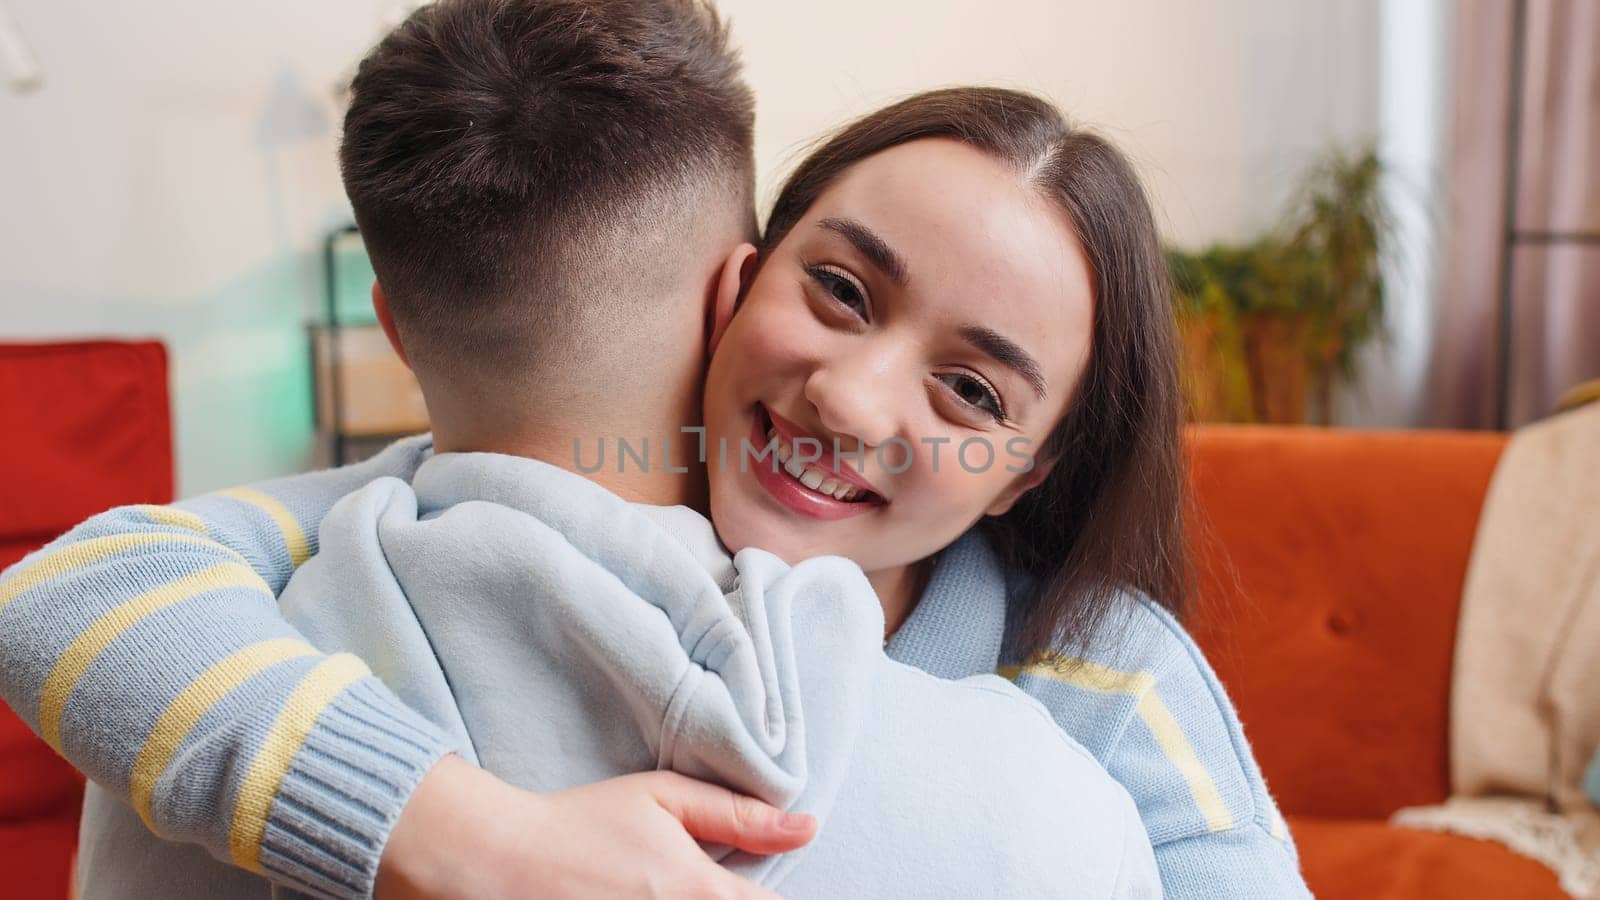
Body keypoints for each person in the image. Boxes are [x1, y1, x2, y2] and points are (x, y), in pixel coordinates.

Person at [0, 0, 1309, 897]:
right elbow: (75, 589)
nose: (851, 399)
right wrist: (454, 834)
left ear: (1029, 470)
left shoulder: (1100, 676)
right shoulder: (444, 508)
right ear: (735, 282)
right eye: (843, 290)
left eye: (969, 390)